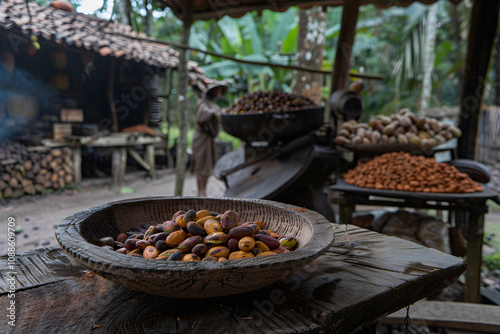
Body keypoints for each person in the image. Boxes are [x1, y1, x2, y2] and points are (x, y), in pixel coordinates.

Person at [192, 81, 227, 197]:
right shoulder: (202, 103)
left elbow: (218, 116)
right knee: (201, 165)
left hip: (210, 139)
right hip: (202, 139)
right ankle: (200, 191)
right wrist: (214, 114)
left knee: (207, 167)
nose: (218, 93)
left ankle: (204, 191)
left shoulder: (214, 104)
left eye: (219, 91)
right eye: (216, 90)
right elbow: (202, 115)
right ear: (211, 91)